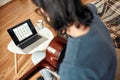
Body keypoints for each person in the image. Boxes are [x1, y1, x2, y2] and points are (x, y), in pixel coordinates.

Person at [32, 0, 117, 80]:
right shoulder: (91, 14)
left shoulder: (71, 69)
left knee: (36, 56)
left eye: (41, 8)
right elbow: (91, 6)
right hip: (107, 67)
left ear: (50, 13)